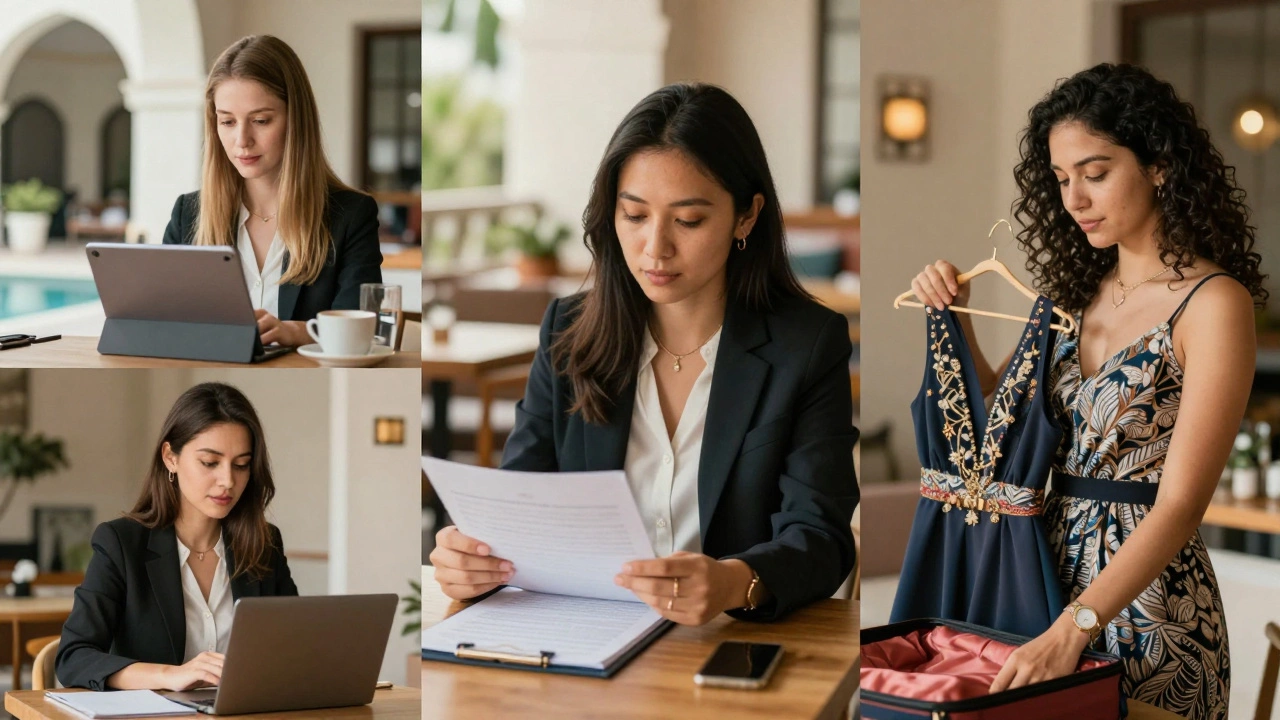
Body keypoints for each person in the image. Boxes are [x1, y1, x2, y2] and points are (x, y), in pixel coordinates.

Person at [429, 83, 859, 625]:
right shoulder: (569, 330)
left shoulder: (808, 344)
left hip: (728, 641)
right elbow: (524, 501)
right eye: (634, 216)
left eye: (688, 220)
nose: (656, 248)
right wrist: (471, 560)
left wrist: (735, 581)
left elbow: (821, 538)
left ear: (746, 216)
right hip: (583, 631)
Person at [909, 63, 1264, 719]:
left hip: (1152, 607)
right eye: (1062, 178)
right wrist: (956, 319)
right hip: (1037, 578)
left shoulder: (1214, 305)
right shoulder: (1068, 296)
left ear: (1159, 164)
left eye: (1095, 173)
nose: (1074, 198)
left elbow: (1183, 504)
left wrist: (1075, 628)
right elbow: (1005, 425)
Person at [57, 383, 298, 691]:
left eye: (241, 465)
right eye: (210, 462)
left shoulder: (265, 544)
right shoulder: (120, 543)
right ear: (170, 457)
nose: (228, 481)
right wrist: (170, 675)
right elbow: (74, 657)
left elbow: (292, 650)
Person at [162, 35, 382, 346]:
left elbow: (362, 328)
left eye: (261, 120)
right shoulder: (188, 214)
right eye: (227, 122)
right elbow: (162, 322)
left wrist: (297, 331)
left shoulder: (350, 215)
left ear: (296, 119)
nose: (242, 140)